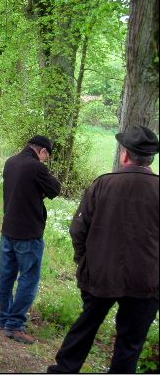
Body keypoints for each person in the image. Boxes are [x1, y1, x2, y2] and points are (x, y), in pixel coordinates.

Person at [47, 125, 159, 374]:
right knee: (131, 342)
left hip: (101, 273)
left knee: (86, 325)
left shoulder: (103, 184)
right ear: (150, 158)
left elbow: (78, 230)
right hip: (147, 279)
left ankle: (64, 370)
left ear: (125, 154)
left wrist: (84, 262)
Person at [0, 135, 61, 344]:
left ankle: (4, 318)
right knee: (28, 279)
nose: (45, 160)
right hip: (28, 233)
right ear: (42, 151)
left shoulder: (11, 162)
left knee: (6, 277)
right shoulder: (36, 167)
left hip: (8, 230)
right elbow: (55, 189)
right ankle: (15, 325)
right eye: (46, 156)